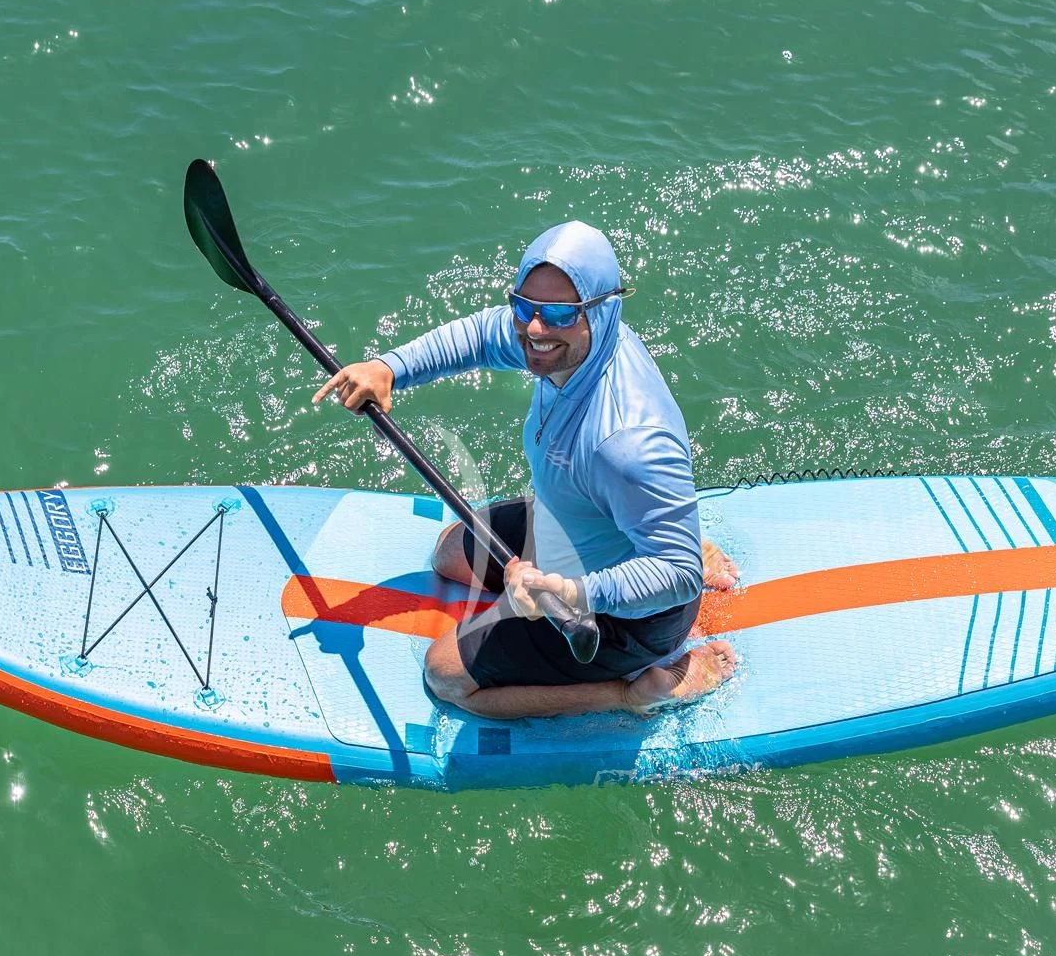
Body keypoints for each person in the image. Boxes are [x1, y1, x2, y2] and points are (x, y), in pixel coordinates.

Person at [314, 221, 738, 719]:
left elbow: (678, 574)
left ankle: (631, 694)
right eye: (525, 306)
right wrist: (389, 367)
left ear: (603, 313)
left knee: (446, 677)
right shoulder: (562, 341)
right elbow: (478, 335)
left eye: (559, 312)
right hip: (573, 522)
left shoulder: (628, 444)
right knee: (449, 553)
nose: (535, 329)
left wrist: (571, 592)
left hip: (620, 616)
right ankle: (659, 528)